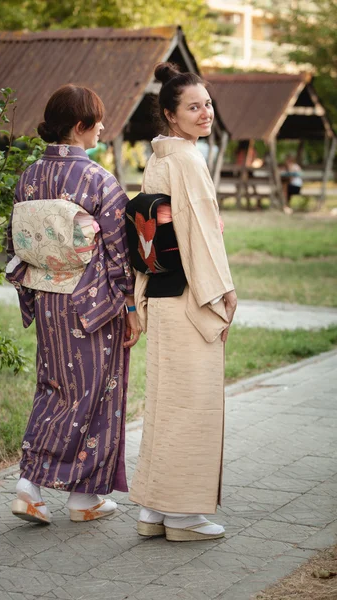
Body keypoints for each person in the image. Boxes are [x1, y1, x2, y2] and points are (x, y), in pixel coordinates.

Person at [6, 84, 140, 525]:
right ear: (80, 127)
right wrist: (130, 306)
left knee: (54, 387)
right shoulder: (97, 179)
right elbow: (120, 253)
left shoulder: (27, 177)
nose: (103, 127)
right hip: (92, 305)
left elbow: (16, 242)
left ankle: (67, 494)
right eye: (97, 120)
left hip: (46, 298)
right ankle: (50, 490)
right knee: (94, 393)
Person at [129, 62, 237, 542]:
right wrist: (222, 294)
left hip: (163, 291)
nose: (205, 113)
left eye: (207, 104)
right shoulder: (189, 161)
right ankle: (184, 517)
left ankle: (154, 510)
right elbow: (198, 235)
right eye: (194, 107)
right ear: (171, 116)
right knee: (193, 403)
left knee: (167, 402)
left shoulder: (160, 158)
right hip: (191, 292)